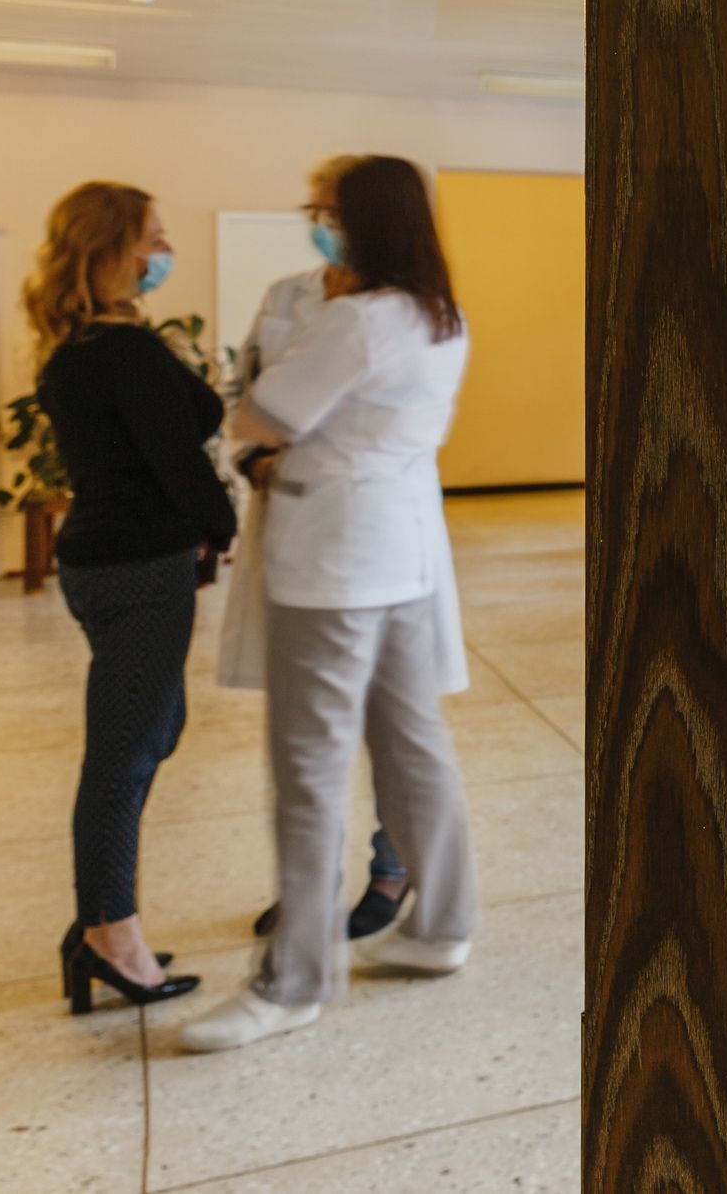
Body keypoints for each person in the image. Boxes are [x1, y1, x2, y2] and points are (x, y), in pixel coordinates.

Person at [182, 156, 479, 1052]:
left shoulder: (356, 319)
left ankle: (295, 980)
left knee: (309, 768)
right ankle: (442, 925)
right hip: (399, 553)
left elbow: (258, 416)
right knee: (413, 743)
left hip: (332, 562)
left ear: (366, 220)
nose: (320, 223)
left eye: (331, 210)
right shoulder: (439, 314)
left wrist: (280, 419)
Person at [30, 182, 234, 1015]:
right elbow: (178, 457)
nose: (164, 249)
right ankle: (109, 934)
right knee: (123, 755)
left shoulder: (78, 345)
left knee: (153, 730)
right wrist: (222, 525)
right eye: (153, 237)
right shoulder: (125, 350)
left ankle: (102, 919)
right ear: (112, 247)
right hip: (140, 566)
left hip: (103, 559)